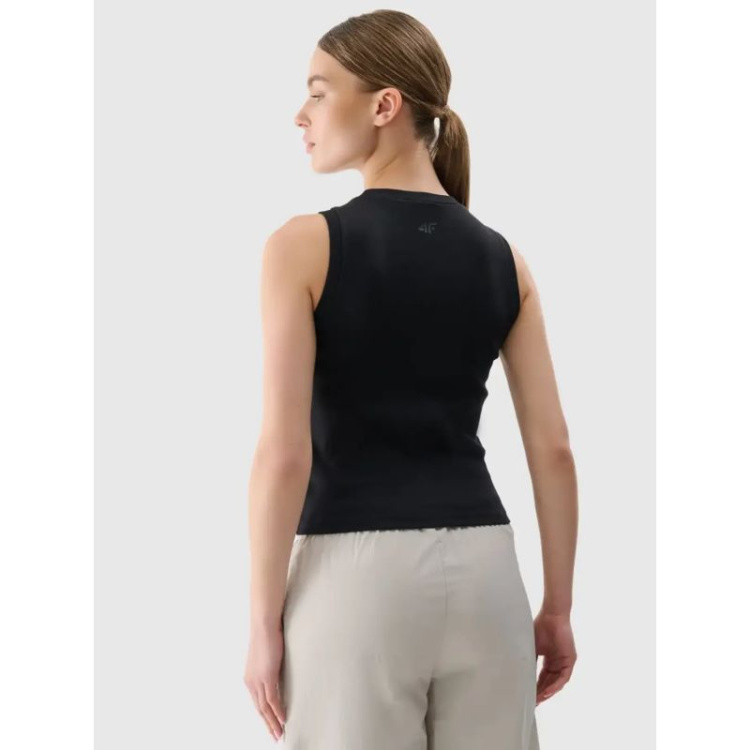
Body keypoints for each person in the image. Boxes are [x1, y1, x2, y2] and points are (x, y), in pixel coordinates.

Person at [244, 9, 578, 748]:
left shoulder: (303, 246)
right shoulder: (504, 259)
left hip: (355, 583)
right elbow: (553, 449)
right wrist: (556, 609)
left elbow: (284, 454)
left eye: (319, 92)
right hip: (488, 575)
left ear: (384, 105)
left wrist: (264, 621)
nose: (300, 115)